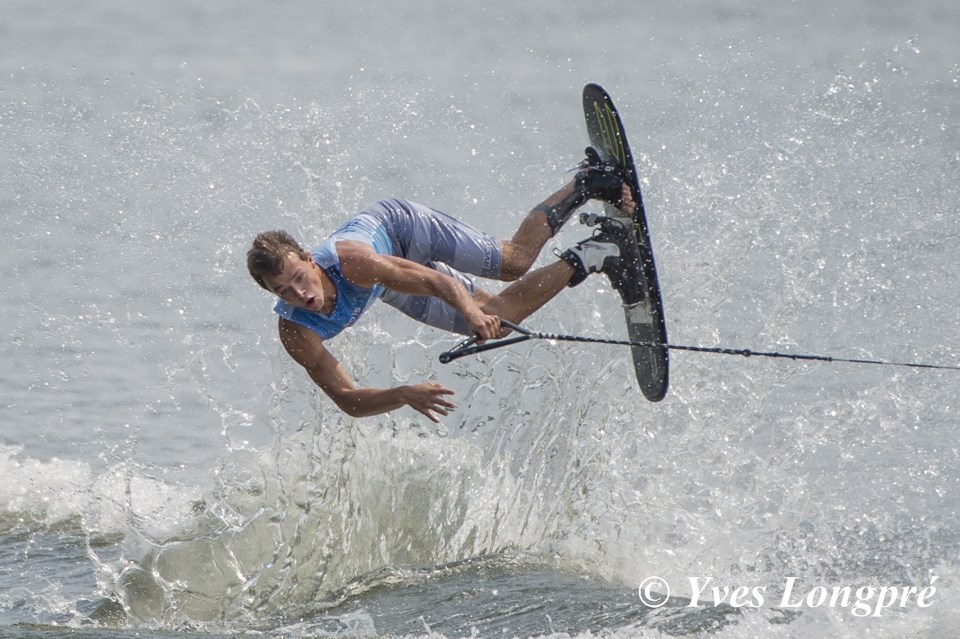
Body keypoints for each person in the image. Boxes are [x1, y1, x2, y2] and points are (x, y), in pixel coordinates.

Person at [247, 154, 636, 422]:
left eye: (299, 278)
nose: (301, 294)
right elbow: (348, 401)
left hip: (402, 228)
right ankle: (598, 252)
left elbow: (436, 281)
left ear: (310, 260)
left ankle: (587, 180)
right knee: (501, 319)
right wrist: (402, 394)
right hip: (387, 284)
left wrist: (469, 311)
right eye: (284, 291)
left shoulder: (352, 263)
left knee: (514, 263)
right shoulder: (297, 330)